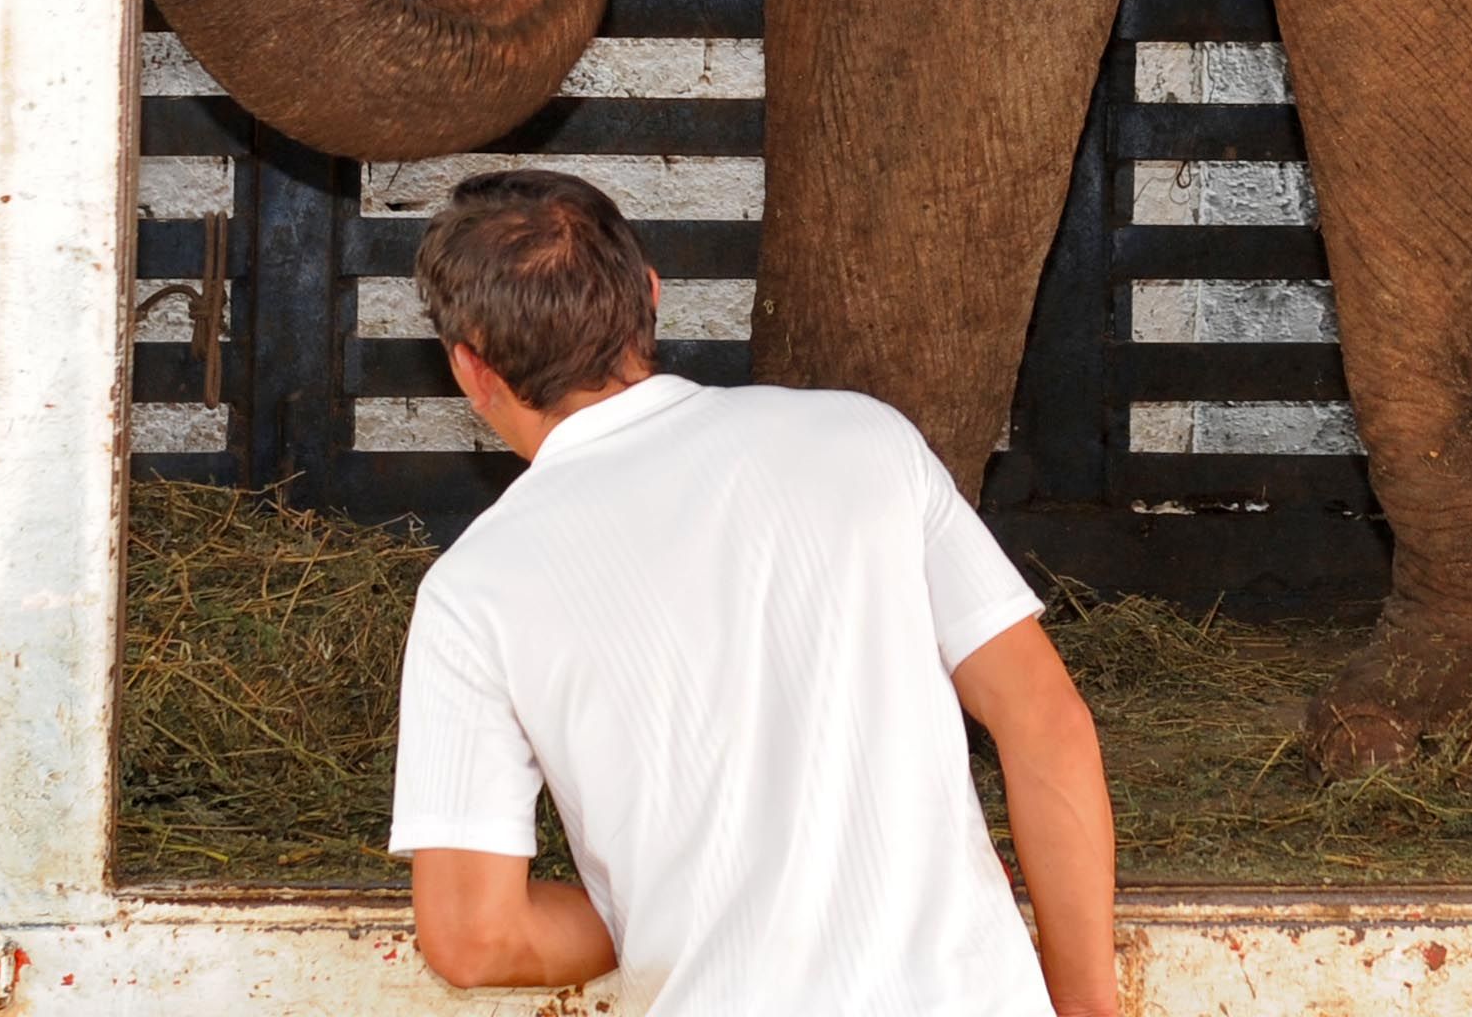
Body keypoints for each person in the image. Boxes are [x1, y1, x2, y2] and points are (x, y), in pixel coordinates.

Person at [387, 167, 1118, 1015]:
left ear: (471, 371)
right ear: (651, 298)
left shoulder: (472, 589)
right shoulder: (863, 439)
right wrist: (1088, 1007)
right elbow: (1048, 726)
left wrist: (680, 915)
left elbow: (473, 938)